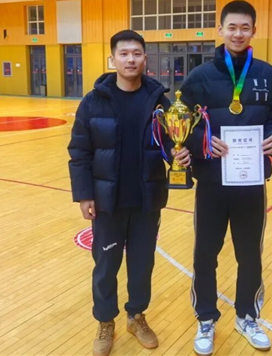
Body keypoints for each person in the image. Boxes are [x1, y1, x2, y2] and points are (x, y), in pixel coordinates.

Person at [68, 30, 191, 356]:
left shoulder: (159, 100)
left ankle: (136, 317)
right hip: (107, 202)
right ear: (113, 59)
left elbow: (171, 141)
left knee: (141, 265)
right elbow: (79, 151)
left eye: (136, 53)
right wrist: (84, 194)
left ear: (145, 58)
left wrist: (180, 152)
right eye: (124, 54)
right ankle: (105, 321)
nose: (131, 59)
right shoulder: (93, 101)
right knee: (105, 266)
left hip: (147, 200)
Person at [181, 0, 272, 355]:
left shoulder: (268, 75)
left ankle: (247, 316)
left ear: (254, 31)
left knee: (250, 254)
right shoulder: (199, 77)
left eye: (245, 28)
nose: (238, 33)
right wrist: (201, 141)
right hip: (212, 183)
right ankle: (205, 319)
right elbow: (181, 120)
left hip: (251, 183)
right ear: (221, 29)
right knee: (205, 254)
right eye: (232, 27)